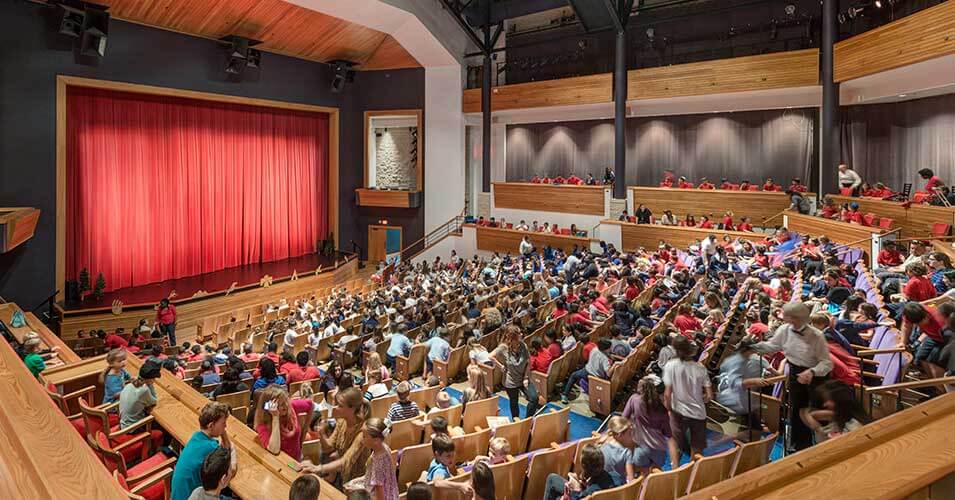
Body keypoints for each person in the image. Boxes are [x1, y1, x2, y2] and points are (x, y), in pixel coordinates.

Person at [751, 302, 832, 451]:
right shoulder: (784, 330)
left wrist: (812, 372)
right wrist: (753, 347)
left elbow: (827, 364)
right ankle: (799, 447)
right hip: (795, 372)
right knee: (797, 411)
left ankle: (824, 447)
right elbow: (773, 346)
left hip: (816, 376)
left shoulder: (816, 335)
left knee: (816, 413)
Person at [301, 387, 371, 483]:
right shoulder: (341, 422)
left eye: (340, 406)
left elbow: (346, 462)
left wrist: (317, 468)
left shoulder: (363, 432)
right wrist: (322, 435)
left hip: (356, 481)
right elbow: (328, 447)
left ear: (352, 409)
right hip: (343, 476)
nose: (336, 408)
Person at [662, 336, 712, 464]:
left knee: (675, 443)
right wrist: (698, 398)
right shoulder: (701, 367)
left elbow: (667, 394)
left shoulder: (670, 365)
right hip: (698, 412)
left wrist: (668, 409)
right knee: (696, 447)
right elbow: (709, 396)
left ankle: (675, 469)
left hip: (677, 411)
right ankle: (692, 470)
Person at [621, 376, 672, 476]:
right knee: (655, 472)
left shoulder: (634, 399)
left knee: (642, 473)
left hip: (640, 448)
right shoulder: (663, 410)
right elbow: (668, 433)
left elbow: (623, 419)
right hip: (658, 450)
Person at [492, 326, 542, 420]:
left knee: (534, 399)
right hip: (510, 381)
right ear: (513, 337)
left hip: (523, 378)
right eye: (519, 333)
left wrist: (526, 378)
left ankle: (527, 420)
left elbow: (528, 362)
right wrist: (500, 366)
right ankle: (516, 421)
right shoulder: (503, 347)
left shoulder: (523, 345)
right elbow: (490, 356)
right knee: (514, 402)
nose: (522, 334)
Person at [542, 444, 620, 500]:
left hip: (580, 495)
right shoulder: (616, 477)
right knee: (553, 478)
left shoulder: (590, 493)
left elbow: (580, 496)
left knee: (552, 480)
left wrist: (576, 490)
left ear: (584, 466)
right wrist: (585, 485)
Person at [800, 380, 868, 443]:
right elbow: (804, 412)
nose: (825, 404)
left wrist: (818, 427)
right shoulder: (840, 418)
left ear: (841, 400)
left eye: (828, 400)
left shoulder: (854, 426)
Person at [562, 338, 615, 404]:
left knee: (573, 376)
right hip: (596, 376)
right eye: (610, 347)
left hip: (588, 372)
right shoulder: (604, 359)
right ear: (606, 349)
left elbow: (608, 372)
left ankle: (565, 395)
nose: (611, 348)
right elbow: (608, 374)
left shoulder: (594, 349)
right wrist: (615, 365)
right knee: (574, 375)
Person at [360, 418, 399, 500]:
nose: (361, 438)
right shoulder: (384, 447)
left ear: (376, 440)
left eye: (364, 436)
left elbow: (379, 491)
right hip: (390, 490)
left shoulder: (378, 463)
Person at [118, 358, 162, 429]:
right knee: (161, 428)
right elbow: (154, 401)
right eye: (154, 378)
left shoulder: (130, 384)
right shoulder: (143, 390)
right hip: (132, 428)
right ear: (150, 379)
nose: (154, 380)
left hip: (123, 423)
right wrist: (150, 384)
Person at [598, 416, 641, 482]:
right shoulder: (626, 452)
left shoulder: (604, 442)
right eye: (629, 434)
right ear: (620, 435)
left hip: (601, 479)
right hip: (616, 484)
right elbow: (630, 480)